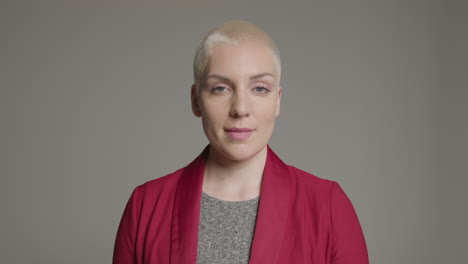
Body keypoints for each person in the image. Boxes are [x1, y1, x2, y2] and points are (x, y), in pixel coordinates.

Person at [113, 20, 369, 264]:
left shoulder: (328, 207)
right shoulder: (144, 206)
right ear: (195, 101)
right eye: (221, 88)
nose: (241, 108)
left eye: (259, 88)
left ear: (277, 100)